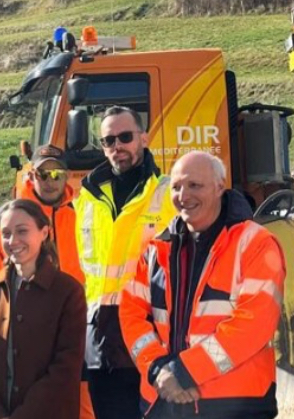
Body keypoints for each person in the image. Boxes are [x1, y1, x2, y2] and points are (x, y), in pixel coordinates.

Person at [120, 151, 285, 418]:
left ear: (220, 187)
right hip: (163, 401)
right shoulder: (157, 248)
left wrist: (181, 372)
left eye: (194, 185)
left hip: (234, 404)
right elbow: (131, 314)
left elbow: (254, 325)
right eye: (176, 187)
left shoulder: (255, 243)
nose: (183, 196)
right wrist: (157, 369)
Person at [76, 106, 175, 419]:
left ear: (143, 139)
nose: (117, 146)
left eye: (125, 137)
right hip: (101, 338)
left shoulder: (168, 194)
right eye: (108, 141)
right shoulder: (88, 199)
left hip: (151, 333)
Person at [0, 199, 86, 419]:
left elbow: (66, 366)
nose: (13, 240)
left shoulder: (68, 291)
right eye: (6, 233)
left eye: (22, 231)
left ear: (44, 232)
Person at [0, 144, 83, 282]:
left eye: (57, 175)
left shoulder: (82, 214)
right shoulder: (2, 222)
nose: (50, 181)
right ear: (31, 176)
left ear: (68, 176)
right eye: (43, 174)